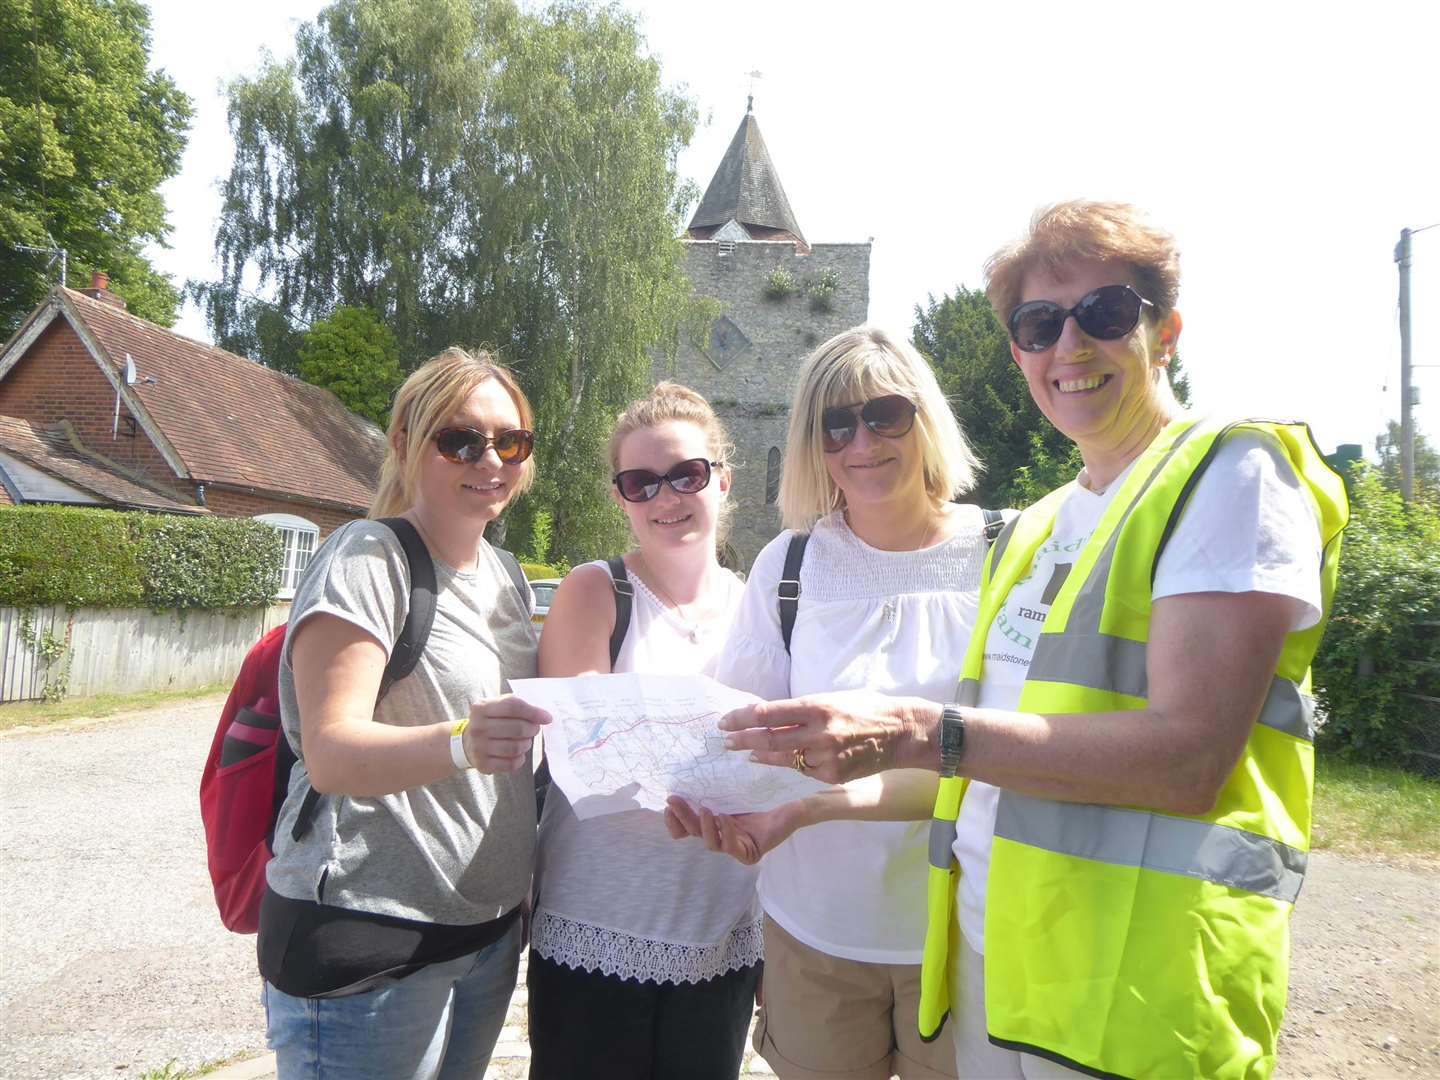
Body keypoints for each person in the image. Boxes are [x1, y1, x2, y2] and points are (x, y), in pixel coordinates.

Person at [672, 201, 1349, 1079]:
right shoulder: (1043, 530)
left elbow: (1188, 758)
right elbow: (975, 773)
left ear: (1166, 331)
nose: (1068, 346)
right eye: (1038, 324)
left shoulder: (1226, 473)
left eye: (1104, 314)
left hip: (1140, 980)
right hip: (1000, 955)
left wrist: (917, 731)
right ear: (1019, 351)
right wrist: (798, 805)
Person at [671, 326, 994, 1080]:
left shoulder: (1006, 555)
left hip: (967, 930)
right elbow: (747, 745)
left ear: (927, 420)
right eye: (835, 424)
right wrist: (708, 796)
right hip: (815, 930)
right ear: (811, 444)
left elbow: (1013, 759)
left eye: (885, 415)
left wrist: (810, 804)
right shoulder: (787, 565)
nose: (861, 442)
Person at [259, 347, 552, 1079]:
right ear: (404, 445)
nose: (490, 459)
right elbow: (330, 752)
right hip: (371, 938)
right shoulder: (368, 557)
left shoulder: (507, 576)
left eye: (510, 441)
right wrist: (462, 742)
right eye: (461, 439)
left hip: (483, 939)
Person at [525, 383, 759, 1079]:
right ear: (621, 497)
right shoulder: (596, 591)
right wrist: (726, 752)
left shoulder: (756, 608)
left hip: (720, 925)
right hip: (600, 919)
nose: (665, 499)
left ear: (722, 479)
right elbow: (587, 758)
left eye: (685, 475)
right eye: (640, 482)